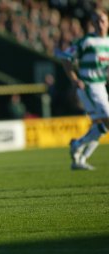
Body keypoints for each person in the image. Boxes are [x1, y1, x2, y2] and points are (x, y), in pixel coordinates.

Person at [61, 8, 109, 170]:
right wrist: (74, 79)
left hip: (101, 86)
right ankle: (78, 146)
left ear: (107, 22)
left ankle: (79, 156)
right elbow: (66, 58)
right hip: (89, 85)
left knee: (100, 126)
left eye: (102, 20)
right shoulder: (87, 41)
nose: (99, 24)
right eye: (96, 21)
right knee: (106, 120)